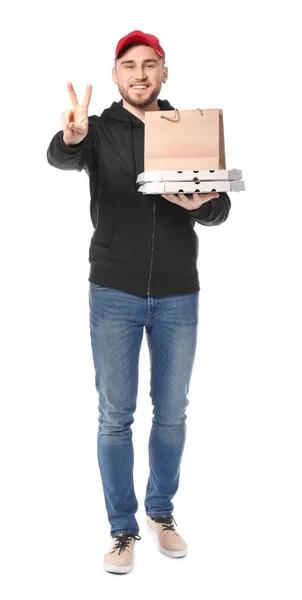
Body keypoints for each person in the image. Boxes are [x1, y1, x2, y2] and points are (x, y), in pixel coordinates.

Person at [46, 29, 231, 575]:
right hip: (113, 293)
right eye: (129, 65)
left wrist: (201, 205)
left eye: (150, 64)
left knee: (172, 414)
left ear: (164, 73)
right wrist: (72, 138)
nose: (140, 74)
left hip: (178, 294)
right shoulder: (98, 132)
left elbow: (219, 210)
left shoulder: (190, 129)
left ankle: (161, 513)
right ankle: (122, 529)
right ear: (116, 76)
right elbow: (61, 157)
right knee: (115, 417)